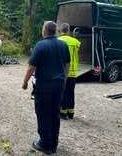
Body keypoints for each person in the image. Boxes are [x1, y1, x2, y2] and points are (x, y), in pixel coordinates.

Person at [22, 21, 70, 155]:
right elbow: (67, 64)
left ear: (44, 31)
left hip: (45, 85)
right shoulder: (63, 44)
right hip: (59, 84)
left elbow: (32, 66)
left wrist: (24, 82)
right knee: (55, 113)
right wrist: (64, 79)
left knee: (43, 113)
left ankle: (45, 144)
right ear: (55, 32)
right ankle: (54, 143)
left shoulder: (41, 45)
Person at [58, 23, 81, 120]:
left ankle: (63, 112)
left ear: (60, 30)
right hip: (73, 70)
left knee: (63, 91)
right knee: (71, 91)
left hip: (62, 70)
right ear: (68, 30)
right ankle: (71, 112)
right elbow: (79, 46)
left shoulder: (58, 41)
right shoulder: (75, 41)